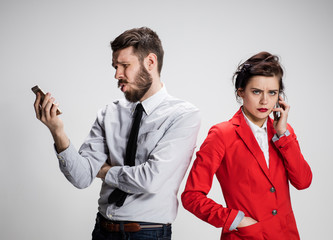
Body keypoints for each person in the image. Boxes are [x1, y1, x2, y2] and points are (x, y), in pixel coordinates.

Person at [34, 27, 201, 240]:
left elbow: (150, 180)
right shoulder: (109, 113)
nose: (117, 75)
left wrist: (103, 171)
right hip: (102, 230)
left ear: (150, 62)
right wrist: (57, 131)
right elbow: (82, 177)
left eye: (125, 65)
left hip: (148, 233)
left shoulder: (183, 115)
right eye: (115, 66)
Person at [181, 51, 312, 239]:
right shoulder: (222, 134)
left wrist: (283, 135)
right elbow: (191, 196)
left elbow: (303, 181)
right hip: (246, 236)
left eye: (272, 93)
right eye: (256, 91)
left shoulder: (284, 132)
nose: (265, 101)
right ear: (241, 92)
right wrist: (236, 220)